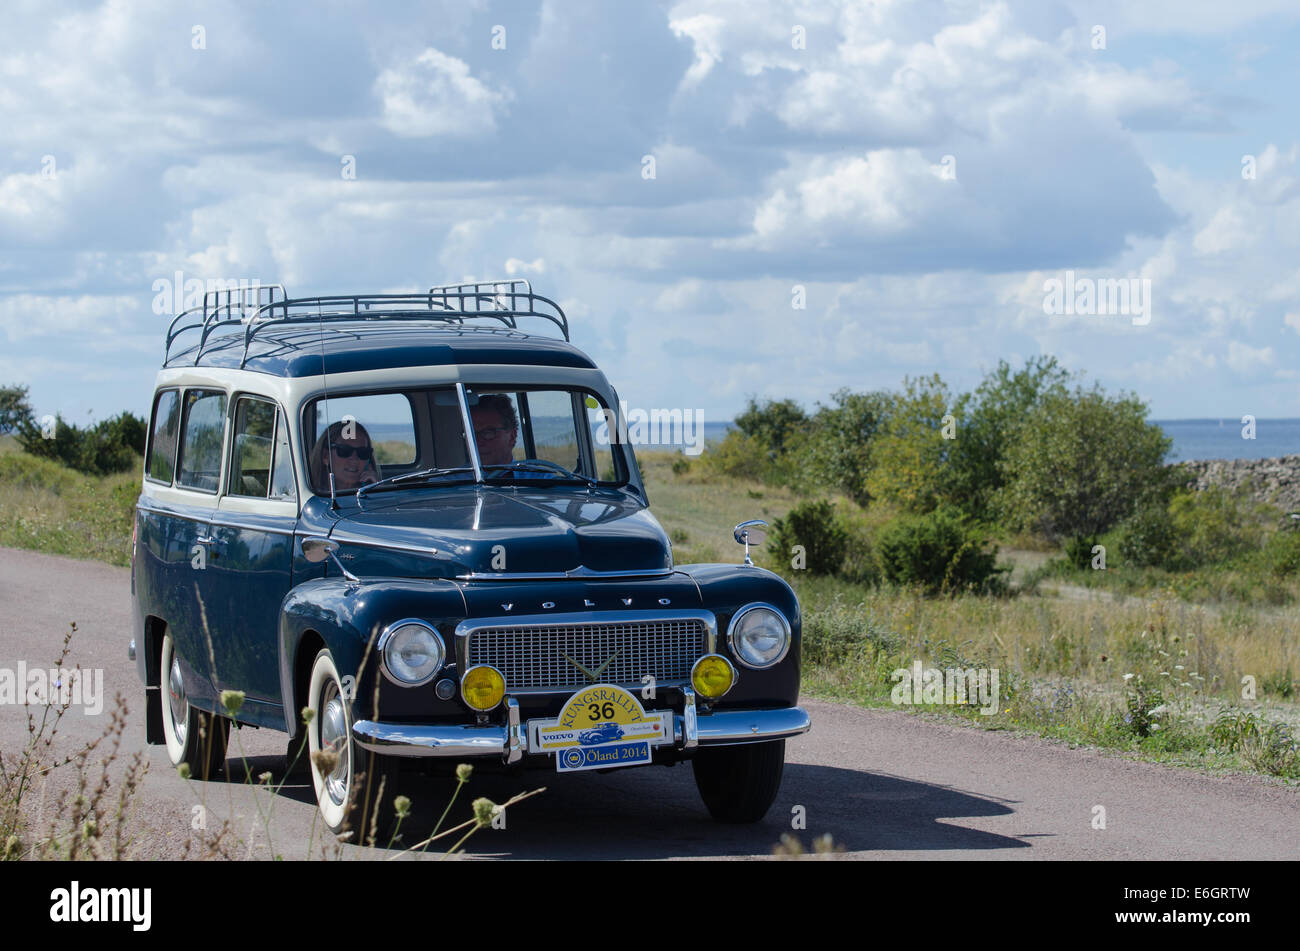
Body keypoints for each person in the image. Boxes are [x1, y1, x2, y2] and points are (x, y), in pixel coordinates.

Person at [310, 419, 381, 492]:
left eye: (362, 452)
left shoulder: (371, 493)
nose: (354, 459)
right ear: (325, 456)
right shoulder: (310, 495)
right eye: (345, 451)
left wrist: (377, 491)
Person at [470, 394, 519, 467]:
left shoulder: (537, 477)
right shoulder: (454, 477)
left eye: (488, 433)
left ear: (512, 436)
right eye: (471, 435)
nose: (477, 442)